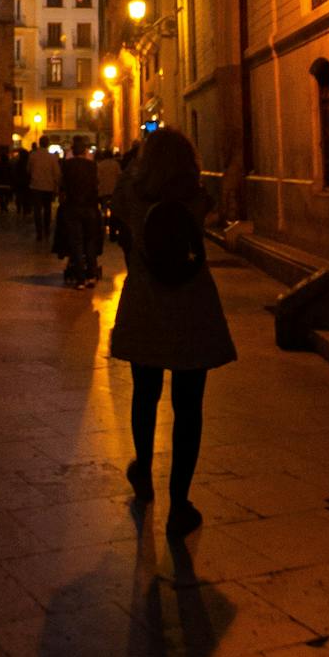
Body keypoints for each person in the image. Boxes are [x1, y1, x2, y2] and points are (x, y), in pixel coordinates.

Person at [109, 127, 236, 536]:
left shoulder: (131, 195)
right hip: (190, 305)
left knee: (145, 393)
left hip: (146, 302)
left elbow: (120, 208)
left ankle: (143, 468)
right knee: (188, 407)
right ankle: (180, 503)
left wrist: (138, 165)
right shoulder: (197, 198)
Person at [58, 137, 103, 286]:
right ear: (85, 151)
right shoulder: (92, 166)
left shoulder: (67, 165)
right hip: (89, 207)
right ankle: (91, 274)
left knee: (76, 242)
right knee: (90, 240)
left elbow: (62, 185)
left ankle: (80, 279)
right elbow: (96, 185)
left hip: (73, 207)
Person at [27, 138, 58, 243]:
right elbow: (56, 173)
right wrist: (56, 185)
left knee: (37, 210)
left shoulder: (33, 156)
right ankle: (47, 229)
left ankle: (39, 231)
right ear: (47, 144)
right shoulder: (52, 157)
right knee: (47, 209)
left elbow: (28, 170)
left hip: (36, 186)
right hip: (48, 186)